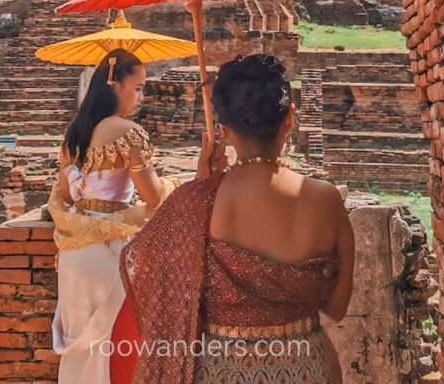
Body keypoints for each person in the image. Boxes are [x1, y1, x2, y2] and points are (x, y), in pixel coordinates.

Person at [120, 53, 355, 384]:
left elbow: (157, 279)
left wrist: (199, 190)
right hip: (307, 368)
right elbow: (338, 307)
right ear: (290, 118)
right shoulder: (326, 199)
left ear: (224, 131)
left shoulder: (198, 200)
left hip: (221, 370)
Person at [46, 48, 177, 384]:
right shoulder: (127, 132)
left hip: (75, 255)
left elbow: (62, 197)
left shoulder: (75, 133)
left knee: (82, 352)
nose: (141, 96)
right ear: (114, 84)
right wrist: (181, 184)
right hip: (111, 251)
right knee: (117, 347)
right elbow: (153, 197)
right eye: (138, 87)